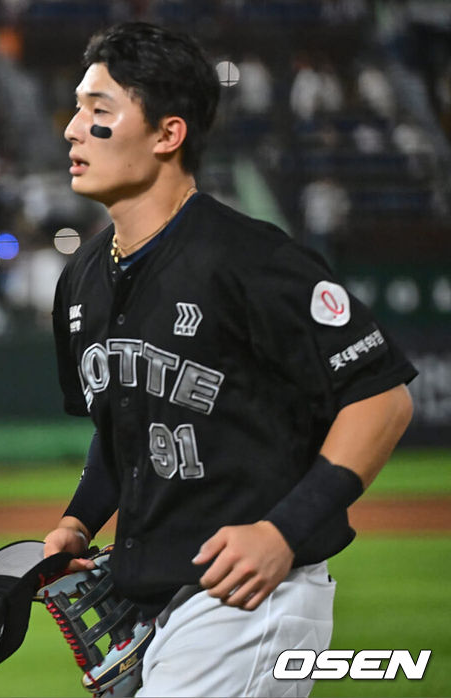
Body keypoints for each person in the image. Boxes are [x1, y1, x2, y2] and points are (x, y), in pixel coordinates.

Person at [43, 23, 416, 697]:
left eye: (99, 111)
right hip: (155, 605)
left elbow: (382, 397)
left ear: (167, 134)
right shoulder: (84, 278)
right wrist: (78, 520)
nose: (72, 128)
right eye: (76, 108)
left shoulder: (253, 260)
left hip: (249, 599)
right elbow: (120, 430)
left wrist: (283, 531)